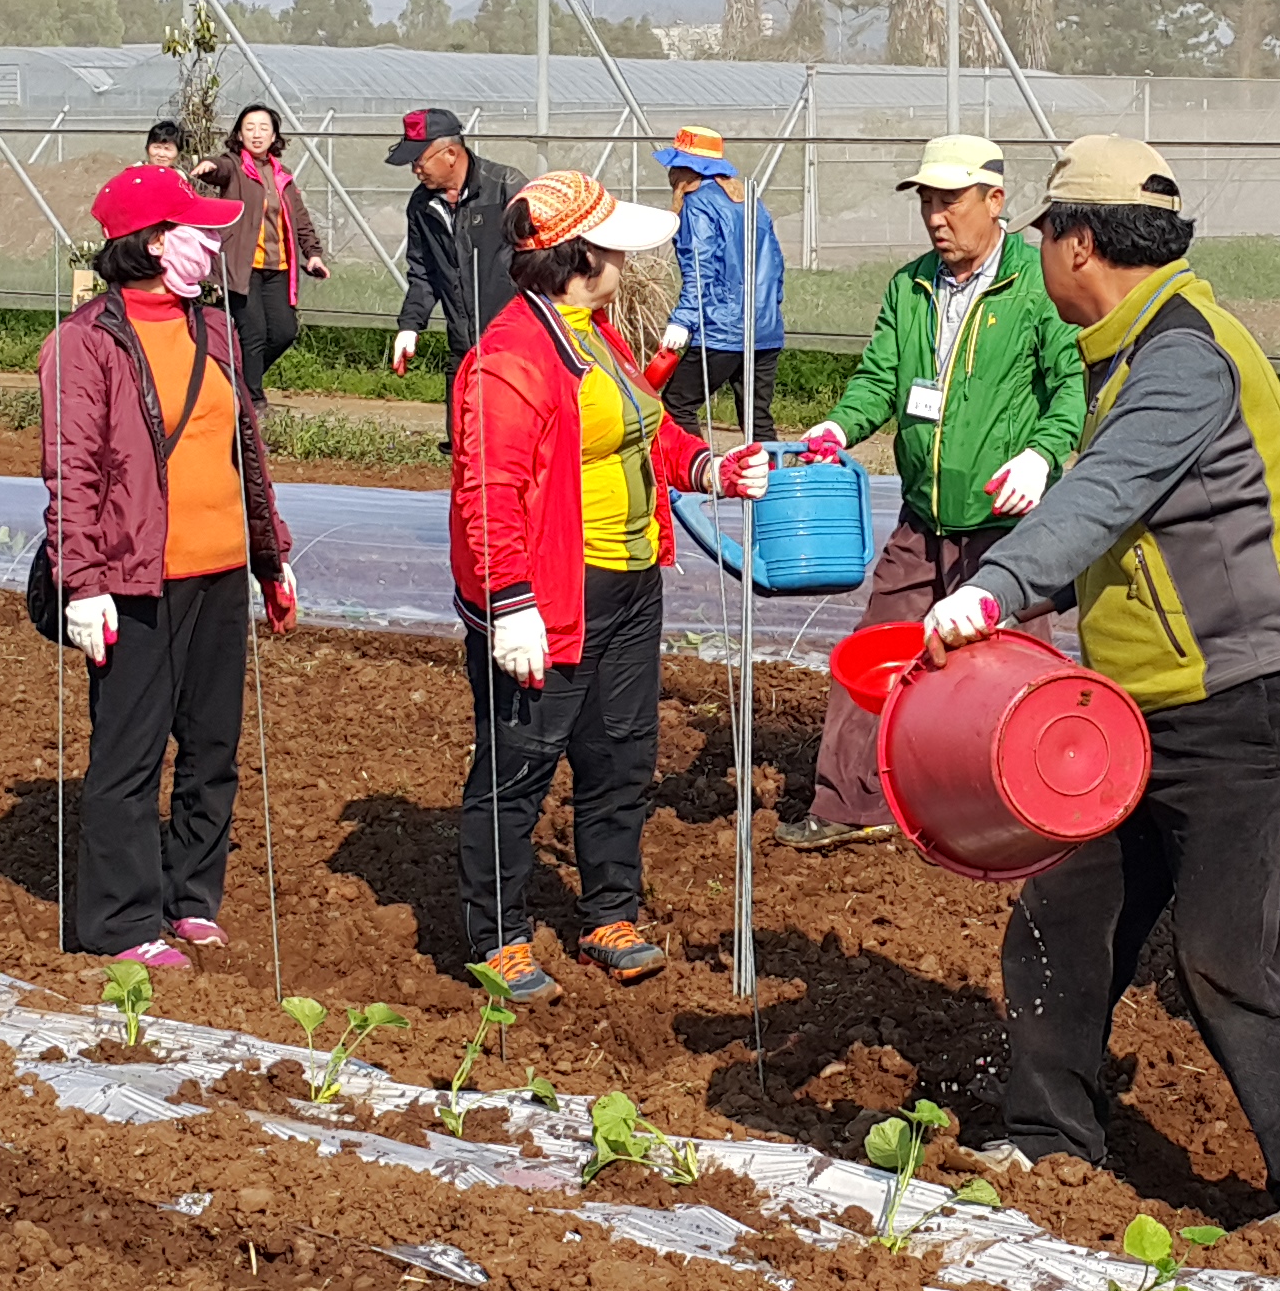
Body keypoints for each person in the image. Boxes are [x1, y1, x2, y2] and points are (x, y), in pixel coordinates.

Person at [918, 135, 1280, 1236]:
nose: (1034, 252)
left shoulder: (1181, 356)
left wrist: (992, 589)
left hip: (1243, 704)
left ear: (1078, 243)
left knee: (1227, 951)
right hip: (1143, 707)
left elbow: (1104, 497)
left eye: (1040, 233)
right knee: (1062, 918)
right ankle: (1043, 1128)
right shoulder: (1125, 349)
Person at [448, 171, 762, 1006]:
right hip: (551, 592)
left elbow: (648, 432)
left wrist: (709, 467)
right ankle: (499, 934)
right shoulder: (508, 363)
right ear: (578, 254)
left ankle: (608, 910)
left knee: (620, 754)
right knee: (519, 764)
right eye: (612, 240)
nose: (626, 251)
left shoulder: (597, 336)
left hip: (627, 585)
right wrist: (506, 602)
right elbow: (490, 494)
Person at [774, 133, 1084, 853]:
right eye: (927, 203)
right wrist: (836, 427)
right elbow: (880, 379)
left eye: (951, 202)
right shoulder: (911, 286)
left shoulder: (1037, 287)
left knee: (1017, 664)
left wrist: (1043, 453)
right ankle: (852, 803)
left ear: (995, 201)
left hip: (1010, 525)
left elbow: (1070, 385)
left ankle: (1030, 811)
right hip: (925, 514)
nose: (936, 218)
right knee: (876, 651)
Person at [39, 165, 302, 972]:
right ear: (154, 244)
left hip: (219, 572)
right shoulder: (85, 343)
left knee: (212, 748)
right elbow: (71, 470)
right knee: (129, 753)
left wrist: (271, 558)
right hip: (136, 580)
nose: (213, 243)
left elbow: (244, 457)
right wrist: (80, 582)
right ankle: (119, 922)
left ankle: (191, 897)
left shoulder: (213, 330)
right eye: (196, 231)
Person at [657, 128, 788, 432]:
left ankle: (698, 476)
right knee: (757, 420)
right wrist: (768, 311)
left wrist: (683, 320)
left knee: (677, 406)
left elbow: (700, 268)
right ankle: (768, 478)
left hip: (722, 331)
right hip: (765, 330)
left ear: (686, 169)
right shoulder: (749, 200)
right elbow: (776, 265)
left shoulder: (697, 204)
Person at [384, 107, 523, 389]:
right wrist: (410, 325)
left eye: (419, 160)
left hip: (514, 346)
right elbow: (424, 272)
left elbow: (543, 262)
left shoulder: (506, 189)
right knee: (460, 431)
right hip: (463, 347)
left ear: (450, 154)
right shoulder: (422, 206)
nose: (415, 170)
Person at [205, 102, 325, 396]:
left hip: (278, 267)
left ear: (274, 137)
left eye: (263, 128)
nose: (256, 134)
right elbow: (219, 169)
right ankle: (254, 399)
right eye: (249, 128)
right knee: (253, 334)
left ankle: (239, 385)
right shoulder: (233, 166)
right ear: (239, 134)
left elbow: (300, 217)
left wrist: (313, 253)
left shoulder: (282, 175)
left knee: (284, 332)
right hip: (243, 269)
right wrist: (209, 166)